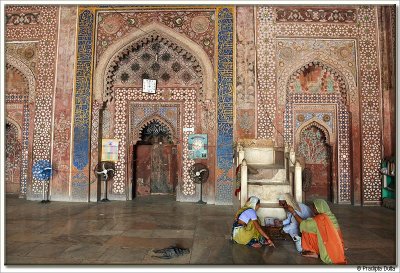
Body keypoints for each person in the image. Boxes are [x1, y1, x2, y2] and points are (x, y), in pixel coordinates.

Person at [287, 199, 347, 264]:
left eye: (314, 208)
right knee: (311, 229)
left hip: (330, 254)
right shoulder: (331, 216)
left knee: (305, 230)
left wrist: (293, 212)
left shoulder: (320, 219)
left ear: (318, 208)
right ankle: (317, 252)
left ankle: (315, 252)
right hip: (338, 249)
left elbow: (303, 224)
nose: (313, 210)